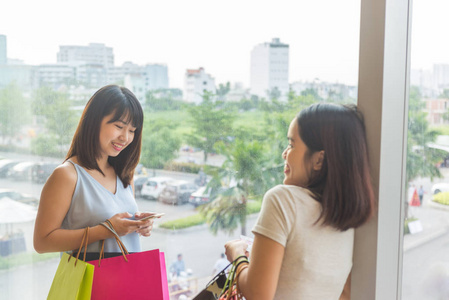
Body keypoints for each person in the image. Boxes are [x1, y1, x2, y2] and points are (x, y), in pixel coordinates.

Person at [224, 103, 376, 299]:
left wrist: (238, 257)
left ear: (319, 160)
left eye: (292, 144)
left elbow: (258, 294)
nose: (284, 153)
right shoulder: (348, 218)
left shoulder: (282, 201)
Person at [34, 85, 157, 260]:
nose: (126, 138)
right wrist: (105, 230)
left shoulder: (125, 174)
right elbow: (42, 242)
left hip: (125, 282)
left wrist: (139, 225)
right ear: (94, 121)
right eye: (119, 126)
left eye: (132, 131)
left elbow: (119, 227)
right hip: (89, 284)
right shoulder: (67, 175)